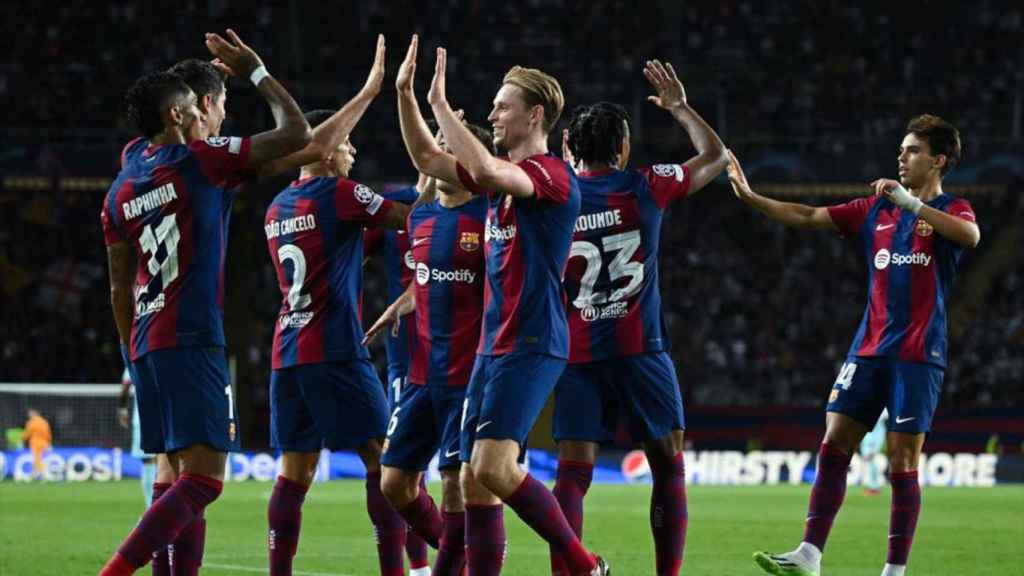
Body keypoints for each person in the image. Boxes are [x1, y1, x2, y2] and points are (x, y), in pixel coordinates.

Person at [99, 29, 311, 576]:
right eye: (196, 106)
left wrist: (130, 349)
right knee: (205, 479)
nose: (204, 114)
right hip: (191, 335)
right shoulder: (201, 161)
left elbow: (119, 287)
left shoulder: (122, 186)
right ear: (176, 116)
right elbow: (297, 133)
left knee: (174, 473)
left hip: (145, 341)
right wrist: (259, 71)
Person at [728, 114, 979, 576]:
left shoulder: (954, 209)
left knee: (902, 460)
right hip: (867, 351)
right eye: (902, 150)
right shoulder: (874, 211)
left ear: (938, 160)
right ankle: (809, 554)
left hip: (918, 356)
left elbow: (971, 236)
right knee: (834, 442)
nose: (901, 157)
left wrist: (910, 203)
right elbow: (807, 216)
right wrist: (751, 197)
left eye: (913, 151)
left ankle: (893, 571)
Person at [394, 35, 608, 575]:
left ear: (535, 116)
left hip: (532, 341)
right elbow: (427, 157)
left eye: (502, 105)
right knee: (471, 482)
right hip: (493, 347)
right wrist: (405, 96)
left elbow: (488, 170)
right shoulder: (502, 187)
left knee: (492, 467)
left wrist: (442, 105)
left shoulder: (552, 177)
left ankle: (584, 566)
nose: (492, 112)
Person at [551, 59, 727, 576]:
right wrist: (679, 107)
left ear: (570, 150)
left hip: (576, 353)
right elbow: (715, 156)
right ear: (623, 148)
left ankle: (570, 571)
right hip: (639, 349)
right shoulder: (646, 185)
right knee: (668, 466)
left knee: (572, 475)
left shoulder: (556, 194)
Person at [262, 35, 422, 576]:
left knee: (295, 472)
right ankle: (398, 571)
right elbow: (407, 221)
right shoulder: (342, 195)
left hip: (288, 351)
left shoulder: (276, 208)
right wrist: (440, 178)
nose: (352, 153)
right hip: (335, 348)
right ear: (326, 147)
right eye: (348, 144)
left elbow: (348, 246)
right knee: (385, 461)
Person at [366, 119, 493, 576]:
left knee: (454, 481)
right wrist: (398, 306)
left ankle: (456, 565)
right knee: (394, 481)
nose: (436, 154)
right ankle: (465, 553)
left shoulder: (488, 218)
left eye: (447, 146)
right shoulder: (418, 217)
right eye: (435, 146)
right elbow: (424, 281)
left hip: (467, 376)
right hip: (421, 374)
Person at [117, 367, 156, 507]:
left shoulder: (135, 357)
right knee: (167, 462)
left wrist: (122, 410)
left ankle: (151, 508)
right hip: (168, 418)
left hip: (143, 419)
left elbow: (126, 386)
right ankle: (164, 509)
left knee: (149, 461)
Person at [860, 409, 888, 496]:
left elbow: (885, 416)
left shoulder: (883, 410)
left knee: (871, 460)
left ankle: (874, 487)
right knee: (869, 461)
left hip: (874, 438)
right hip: (867, 436)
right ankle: (873, 486)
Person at [22, 408, 52, 481]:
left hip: (35, 443)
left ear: (35, 413)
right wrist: (49, 443)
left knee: (37, 459)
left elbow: (27, 433)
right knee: (38, 460)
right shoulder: (44, 422)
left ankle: (44, 475)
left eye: (31, 413)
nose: (29, 415)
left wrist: (22, 439)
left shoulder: (32, 422)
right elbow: (48, 434)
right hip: (45, 444)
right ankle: (32, 476)